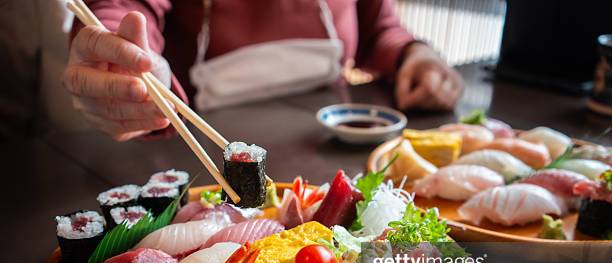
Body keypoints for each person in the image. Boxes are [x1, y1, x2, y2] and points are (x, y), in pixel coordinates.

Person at [63, 0, 464, 141]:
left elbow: (380, 28)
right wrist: (117, 55)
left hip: (327, 142)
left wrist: (415, 53)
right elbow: (121, 8)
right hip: (199, 151)